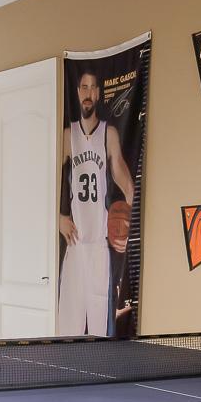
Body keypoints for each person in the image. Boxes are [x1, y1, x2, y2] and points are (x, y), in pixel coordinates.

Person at [56, 67, 133, 336]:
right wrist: (58, 217)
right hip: (75, 247)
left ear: (99, 93)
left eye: (92, 88)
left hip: (99, 247)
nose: (88, 93)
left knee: (100, 333)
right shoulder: (68, 136)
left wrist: (133, 204)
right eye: (83, 88)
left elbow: (122, 174)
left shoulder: (108, 134)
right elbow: (49, 180)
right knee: (67, 332)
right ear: (77, 93)